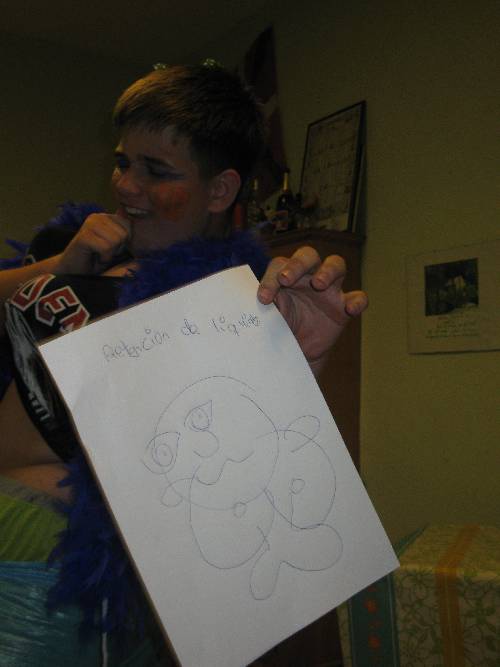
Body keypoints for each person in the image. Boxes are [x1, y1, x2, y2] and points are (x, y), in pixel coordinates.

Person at [0, 63, 367, 665]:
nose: (127, 185)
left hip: (51, 579)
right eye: (123, 162)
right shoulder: (83, 244)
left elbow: (250, 473)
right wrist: (58, 267)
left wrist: (296, 363)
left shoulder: (235, 302)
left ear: (220, 190)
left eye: (157, 170)